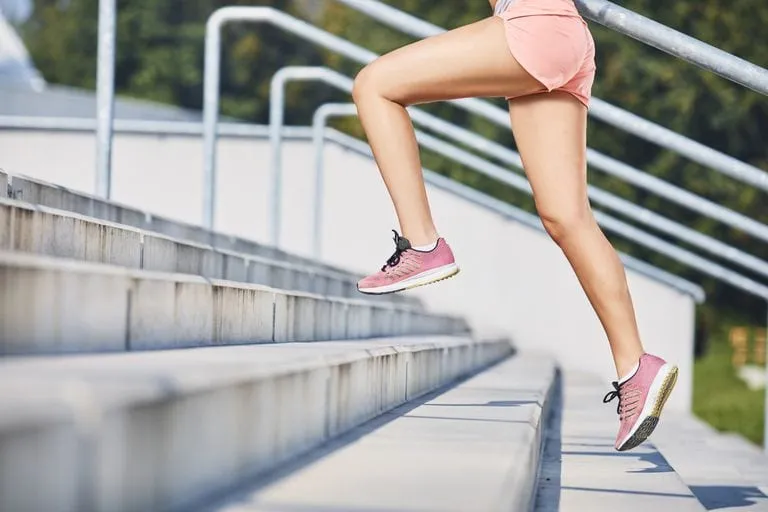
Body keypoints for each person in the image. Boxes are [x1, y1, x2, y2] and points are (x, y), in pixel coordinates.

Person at [350, 0, 678, 451]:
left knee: (374, 85)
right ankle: (635, 366)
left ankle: (422, 244)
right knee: (566, 217)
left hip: (532, 26)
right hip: (565, 39)